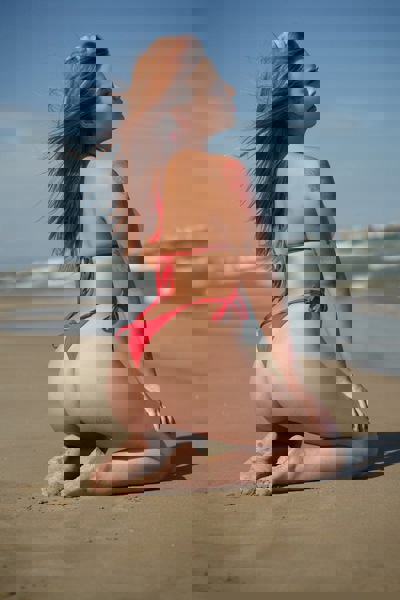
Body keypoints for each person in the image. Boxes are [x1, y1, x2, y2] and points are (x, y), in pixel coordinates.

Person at [239, 32, 378, 494]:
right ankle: (300, 465)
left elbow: (258, 264)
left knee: (292, 420)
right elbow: (321, 271)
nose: (316, 94)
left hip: (265, 370)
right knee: (358, 448)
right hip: (301, 358)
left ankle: (271, 450)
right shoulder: (312, 166)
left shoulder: (262, 179)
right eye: (306, 85)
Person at [45, 35, 175, 497]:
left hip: (69, 361)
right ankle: (94, 477)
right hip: (104, 357)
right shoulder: (105, 173)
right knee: (162, 451)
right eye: (110, 101)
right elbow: (131, 269)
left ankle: (76, 454)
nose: (119, 110)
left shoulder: (70, 182)